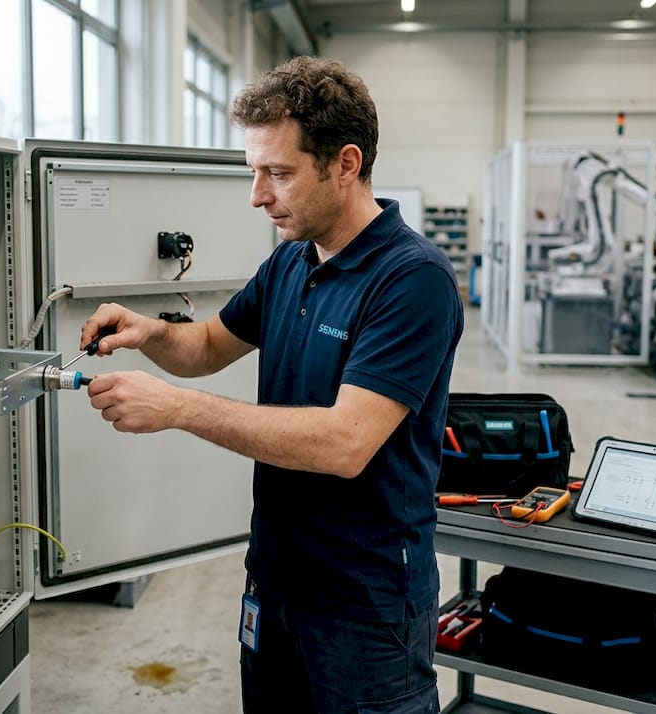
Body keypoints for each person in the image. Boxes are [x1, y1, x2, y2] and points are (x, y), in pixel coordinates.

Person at [78, 56, 463, 713]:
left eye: (278, 173)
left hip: (364, 604)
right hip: (276, 578)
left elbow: (346, 443)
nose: (258, 195)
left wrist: (175, 408)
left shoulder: (411, 280)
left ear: (345, 163)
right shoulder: (291, 260)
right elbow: (206, 346)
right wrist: (150, 331)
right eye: (255, 172)